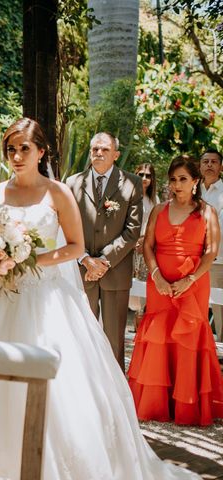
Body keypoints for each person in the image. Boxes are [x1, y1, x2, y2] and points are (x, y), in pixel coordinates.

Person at [0, 118, 200, 479]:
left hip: (45, 299)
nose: (17, 156)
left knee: (59, 388)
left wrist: (30, 258)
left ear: (40, 152)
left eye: (24, 148)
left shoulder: (57, 193)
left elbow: (76, 247)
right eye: (11, 149)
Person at [128, 156, 223, 426]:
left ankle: (185, 405)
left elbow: (211, 251)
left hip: (192, 285)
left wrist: (189, 280)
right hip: (160, 284)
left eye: (183, 179)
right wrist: (156, 276)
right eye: (173, 179)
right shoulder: (159, 210)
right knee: (159, 337)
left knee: (188, 338)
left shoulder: (207, 212)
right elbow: (147, 246)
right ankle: (158, 404)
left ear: (195, 182)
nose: (177, 184)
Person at [66, 132, 143, 370]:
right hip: (81, 272)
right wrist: (86, 260)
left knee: (114, 342)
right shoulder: (72, 183)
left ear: (116, 155)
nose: (98, 153)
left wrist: (103, 261)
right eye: (95, 149)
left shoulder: (131, 183)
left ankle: (117, 400)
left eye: (104, 150)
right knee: (80, 337)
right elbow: (67, 227)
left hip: (115, 273)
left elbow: (132, 231)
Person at [129, 163, 159, 327]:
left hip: (145, 246)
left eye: (148, 175)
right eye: (141, 174)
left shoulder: (154, 200)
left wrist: (145, 241)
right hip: (127, 245)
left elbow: (154, 226)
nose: (144, 178)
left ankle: (139, 327)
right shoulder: (127, 195)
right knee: (128, 283)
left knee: (142, 284)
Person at [200, 148, 223, 341]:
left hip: (218, 260)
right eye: (205, 161)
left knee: (219, 306)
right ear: (199, 166)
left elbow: (219, 227)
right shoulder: (191, 189)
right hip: (190, 258)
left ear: (221, 167)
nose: (209, 165)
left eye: (213, 162)